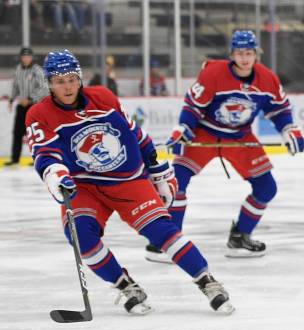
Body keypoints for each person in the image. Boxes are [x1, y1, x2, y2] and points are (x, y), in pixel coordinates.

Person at [25, 49, 234, 315]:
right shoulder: (39, 114)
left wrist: (157, 169)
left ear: (79, 79)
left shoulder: (103, 97)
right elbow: (45, 152)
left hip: (127, 179)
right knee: (81, 238)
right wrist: (56, 174)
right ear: (50, 83)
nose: (66, 86)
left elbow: (136, 134)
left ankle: (208, 282)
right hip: (83, 185)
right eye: (59, 80)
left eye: (70, 79)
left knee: (162, 231)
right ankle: (126, 287)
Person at [145, 30, 304, 261]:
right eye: (239, 52)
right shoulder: (213, 73)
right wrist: (184, 128)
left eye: (249, 52)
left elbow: (279, 109)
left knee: (266, 188)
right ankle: (167, 241)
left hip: (240, 137)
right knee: (175, 183)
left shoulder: (268, 78)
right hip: (204, 133)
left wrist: (289, 129)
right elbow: (193, 106)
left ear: (256, 54)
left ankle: (240, 237)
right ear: (231, 54)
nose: (244, 57)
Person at [7, 47, 47, 166]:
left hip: (34, 106)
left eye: (28, 56)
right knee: (17, 132)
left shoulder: (37, 70)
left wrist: (30, 99)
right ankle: (15, 159)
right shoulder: (18, 69)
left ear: (31, 57)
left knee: (34, 133)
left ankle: (38, 158)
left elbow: (43, 88)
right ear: (21, 58)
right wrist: (11, 99)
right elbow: (15, 86)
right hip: (21, 106)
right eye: (24, 56)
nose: (26, 59)